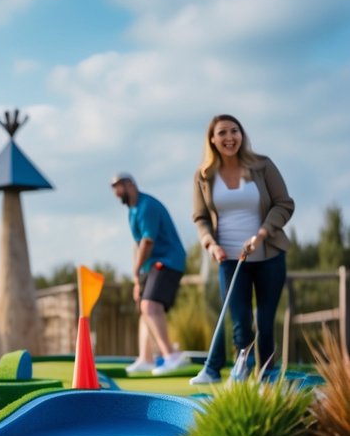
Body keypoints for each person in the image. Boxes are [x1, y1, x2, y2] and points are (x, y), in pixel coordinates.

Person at [190, 114, 294, 385]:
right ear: (212, 139)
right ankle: (242, 367)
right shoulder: (204, 176)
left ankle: (268, 374)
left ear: (242, 135)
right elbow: (200, 217)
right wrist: (210, 244)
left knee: (266, 320)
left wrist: (261, 233)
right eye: (222, 132)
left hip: (268, 254)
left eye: (234, 131)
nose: (229, 137)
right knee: (240, 318)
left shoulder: (262, 166)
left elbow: (284, 204)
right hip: (229, 258)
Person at [110, 173, 189, 376]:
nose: (115, 192)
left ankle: (171, 356)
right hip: (151, 265)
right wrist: (138, 278)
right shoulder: (132, 211)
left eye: (118, 187)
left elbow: (147, 242)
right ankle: (146, 358)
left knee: (150, 305)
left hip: (168, 261)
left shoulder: (147, 206)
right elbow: (138, 245)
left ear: (130, 185)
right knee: (143, 308)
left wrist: (136, 270)